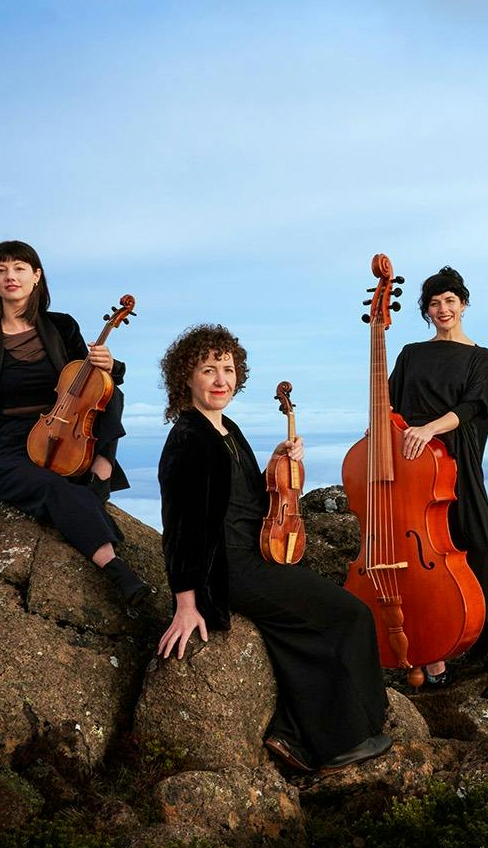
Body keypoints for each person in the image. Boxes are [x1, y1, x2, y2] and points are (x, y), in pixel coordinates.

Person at [155, 324, 391, 774]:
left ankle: (292, 733)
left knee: (306, 623)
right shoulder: (189, 439)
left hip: (251, 555)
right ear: (186, 377)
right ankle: (336, 745)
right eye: (208, 370)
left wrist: (279, 462)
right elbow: (180, 527)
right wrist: (185, 603)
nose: (221, 380)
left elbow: (245, 498)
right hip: (227, 568)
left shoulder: (225, 429)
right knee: (350, 615)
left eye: (228, 369)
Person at [0, 240, 148, 609]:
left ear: (36, 276)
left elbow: (92, 383)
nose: (10, 276)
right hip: (8, 442)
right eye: (1, 270)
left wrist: (112, 365)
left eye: (19, 268)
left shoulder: (61, 326)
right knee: (56, 489)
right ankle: (116, 569)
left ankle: (102, 468)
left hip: (66, 430)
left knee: (110, 393)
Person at [389, 267, 488, 698]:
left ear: (463, 304)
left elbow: (472, 407)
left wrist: (429, 429)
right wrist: (381, 432)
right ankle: (432, 654)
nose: (442, 309)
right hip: (411, 464)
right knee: (418, 554)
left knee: (478, 548)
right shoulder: (410, 354)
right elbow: (389, 404)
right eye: (434, 303)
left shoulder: (481, 357)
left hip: (455, 460)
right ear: (426, 311)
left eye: (449, 301)